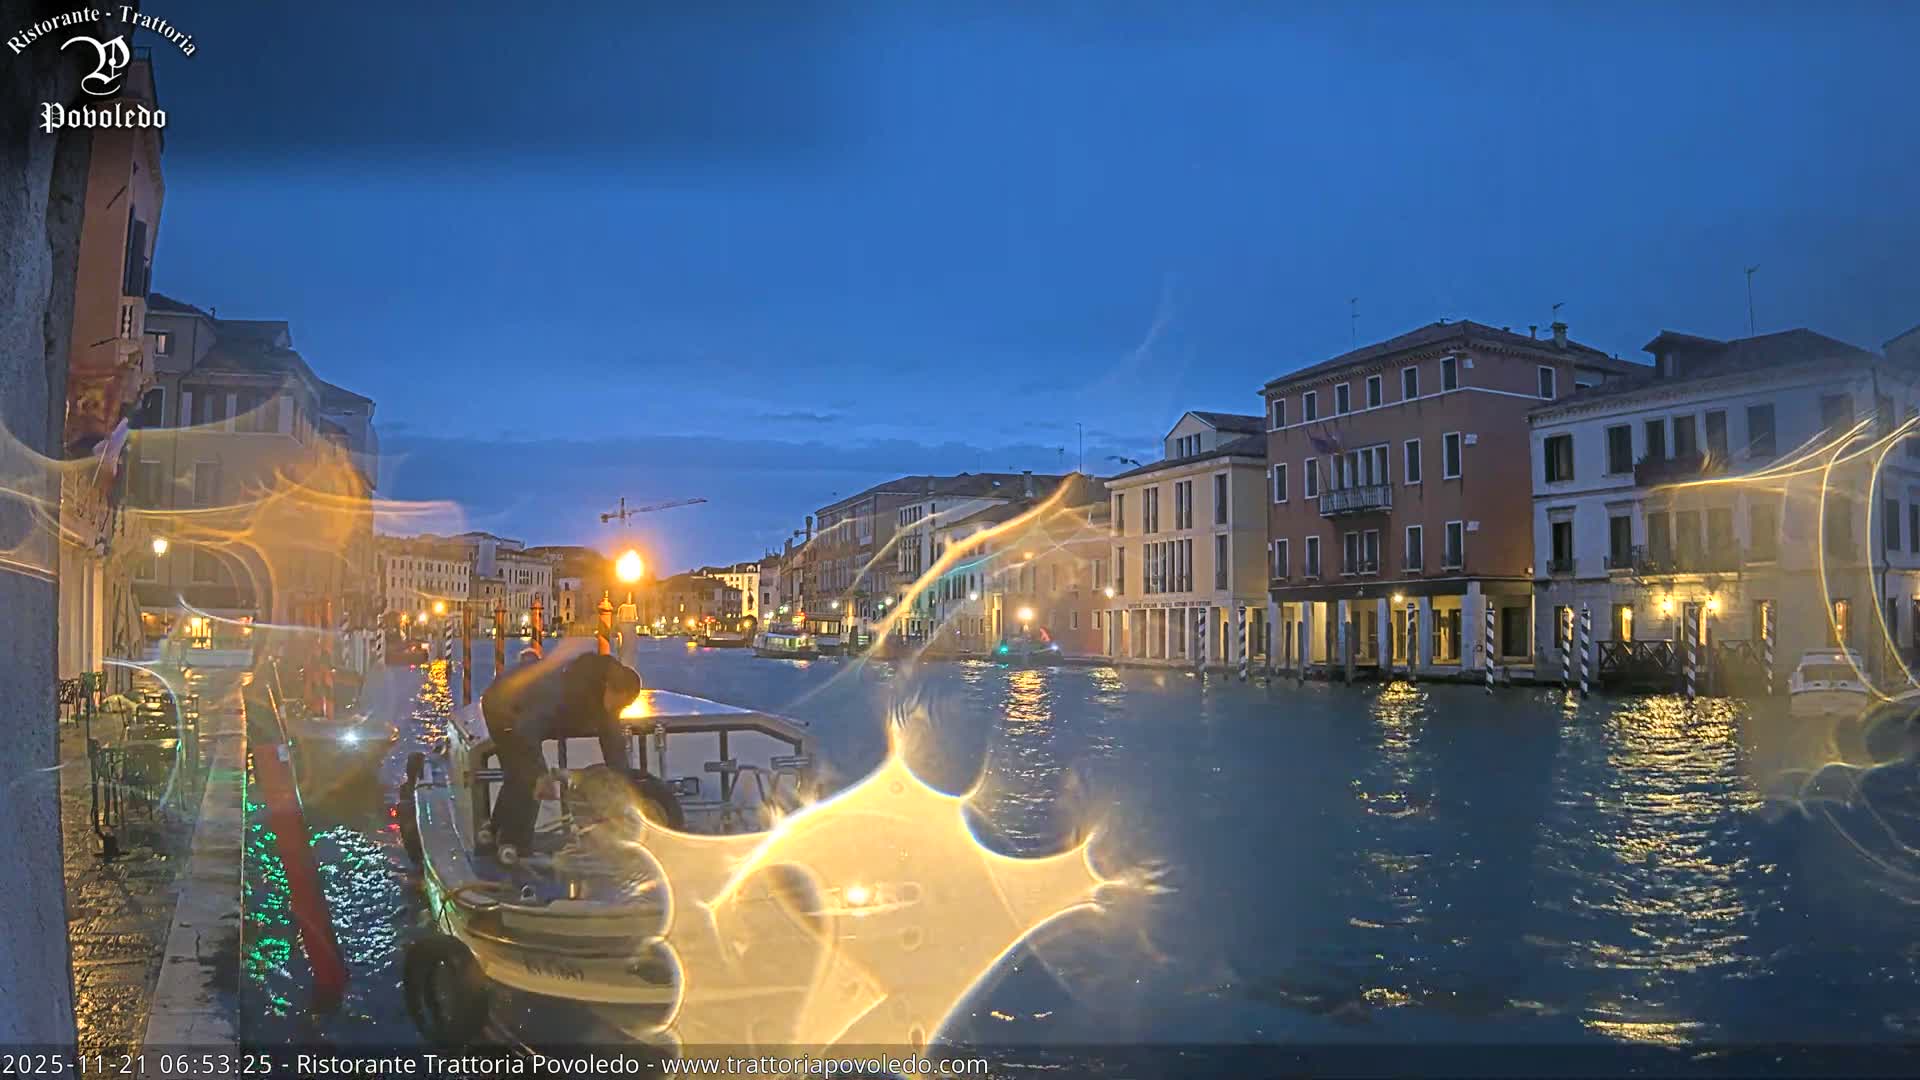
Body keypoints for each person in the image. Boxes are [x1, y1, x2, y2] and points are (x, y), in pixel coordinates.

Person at [480, 653, 662, 863]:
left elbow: (612, 740)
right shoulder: (567, 691)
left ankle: (494, 833)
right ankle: (516, 847)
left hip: (523, 710)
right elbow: (526, 729)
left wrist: (623, 781)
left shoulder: (603, 696)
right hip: (503, 707)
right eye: (618, 704)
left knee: (516, 776)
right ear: (610, 689)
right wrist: (541, 775)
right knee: (528, 778)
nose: (617, 710)